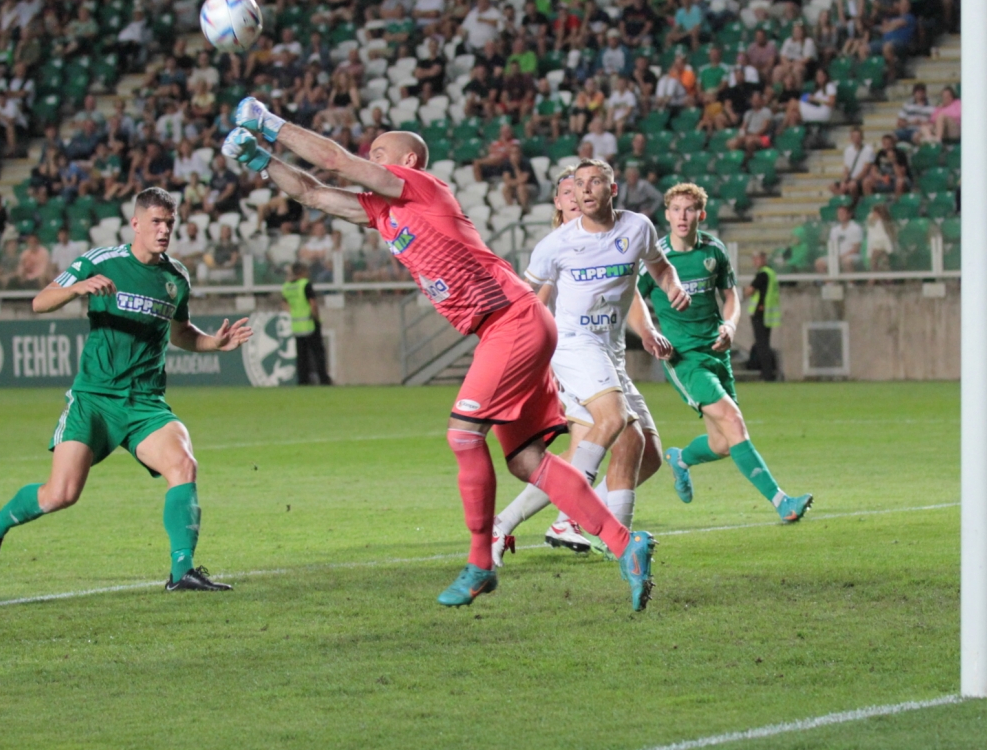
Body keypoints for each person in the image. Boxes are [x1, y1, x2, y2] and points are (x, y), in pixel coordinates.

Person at [225, 98, 662, 610]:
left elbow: (336, 162)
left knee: (462, 434)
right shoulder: (383, 211)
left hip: (513, 321)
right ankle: (625, 545)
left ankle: (480, 565)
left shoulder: (421, 187)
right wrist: (261, 160)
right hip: (507, 326)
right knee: (527, 462)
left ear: (407, 163)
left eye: (379, 152)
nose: (370, 157)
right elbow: (311, 191)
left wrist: (271, 124)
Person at [0, 188, 254, 592]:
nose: (164, 230)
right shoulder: (101, 261)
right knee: (60, 494)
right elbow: (40, 301)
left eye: (169, 223)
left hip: (144, 402)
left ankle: (182, 571)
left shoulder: (175, 278)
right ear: (135, 223)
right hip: (94, 399)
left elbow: (180, 332)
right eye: (156, 222)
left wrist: (213, 343)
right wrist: (77, 288)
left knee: (183, 464)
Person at [492, 161, 684, 560]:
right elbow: (529, 304)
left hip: (609, 355)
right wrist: (527, 358)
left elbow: (639, 281)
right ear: (562, 201)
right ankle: (607, 536)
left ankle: (517, 522)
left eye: (592, 183)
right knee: (615, 427)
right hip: (571, 352)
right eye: (574, 187)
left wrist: (654, 318)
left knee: (646, 453)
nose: (581, 192)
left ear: (611, 189)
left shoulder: (635, 229)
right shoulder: (556, 246)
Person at [640, 183, 812, 521]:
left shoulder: (714, 250)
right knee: (734, 422)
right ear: (667, 215)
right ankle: (782, 502)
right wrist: (650, 332)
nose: (682, 216)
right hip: (684, 358)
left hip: (717, 352)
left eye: (689, 209)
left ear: (701, 214)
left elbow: (731, 296)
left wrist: (731, 326)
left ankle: (681, 459)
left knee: (721, 443)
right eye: (676, 209)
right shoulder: (656, 259)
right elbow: (632, 297)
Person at [282, 262, 332, 385]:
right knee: (318, 353)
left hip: (297, 325)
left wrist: (294, 313)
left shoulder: (287, 287)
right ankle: (323, 379)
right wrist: (316, 318)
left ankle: (303, 380)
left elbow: (284, 304)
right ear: (301, 272)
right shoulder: (305, 284)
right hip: (309, 323)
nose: (308, 273)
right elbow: (313, 304)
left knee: (301, 355)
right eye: (306, 271)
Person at [743, 250, 779, 380]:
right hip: (768, 313)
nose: (754, 262)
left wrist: (744, 291)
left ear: (763, 259)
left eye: (757, 259)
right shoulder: (771, 273)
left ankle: (767, 374)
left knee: (762, 344)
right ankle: (769, 372)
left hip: (760, 313)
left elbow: (750, 290)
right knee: (764, 343)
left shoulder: (763, 274)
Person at [815, 205, 863, 273]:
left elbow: (856, 249)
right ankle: (829, 280)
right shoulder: (834, 230)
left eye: (842, 213)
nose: (840, 215)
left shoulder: (855, 228)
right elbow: (832, 245)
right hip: (836, 256)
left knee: (847, 261)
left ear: (849, 214)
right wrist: (835, 256)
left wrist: (842, 256)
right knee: (819, 263)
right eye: (839, 213)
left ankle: (850, 280)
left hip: (852, 256)